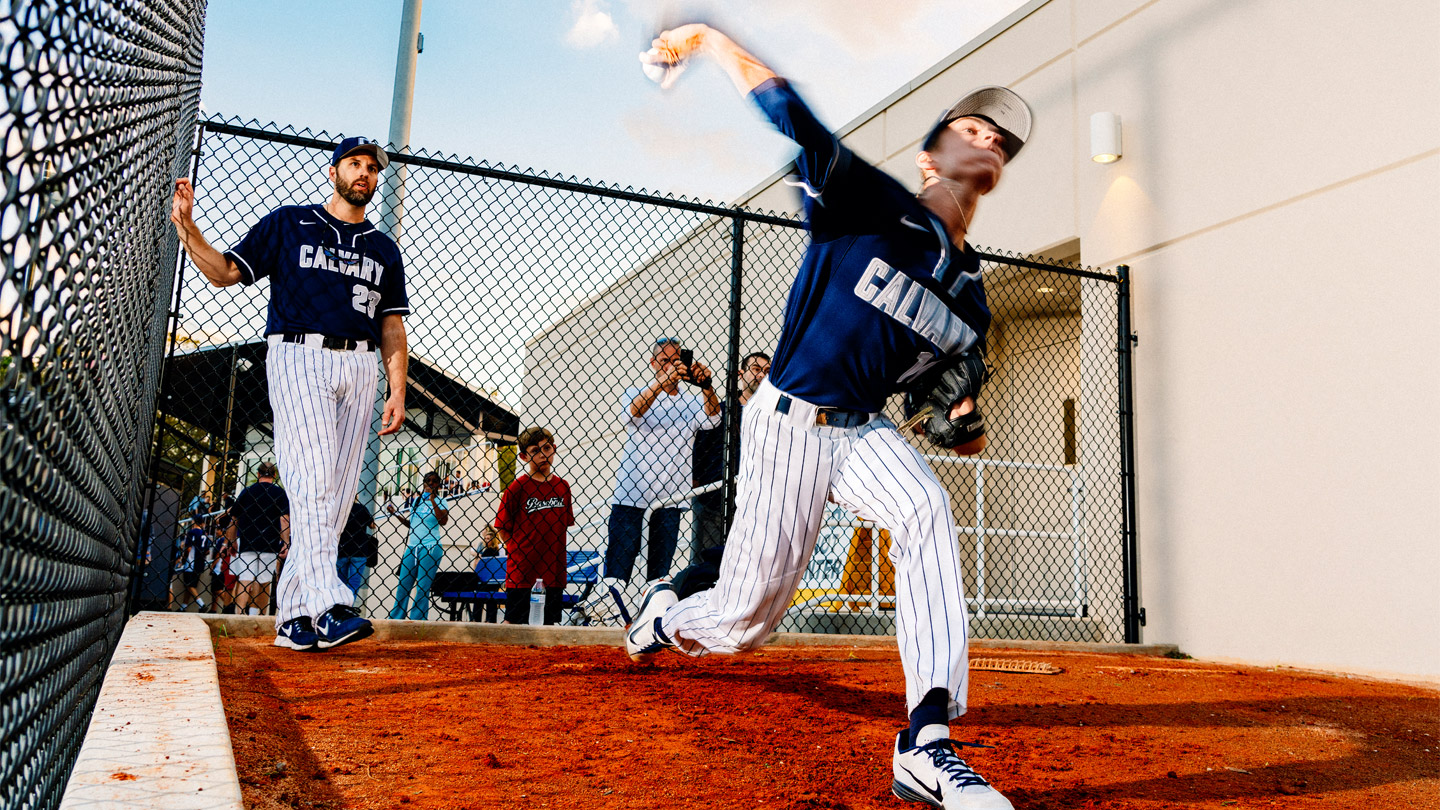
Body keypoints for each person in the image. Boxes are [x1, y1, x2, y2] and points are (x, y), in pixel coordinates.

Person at [627, 25, 1030, 809]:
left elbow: (943, 410)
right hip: (787, 420)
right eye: (969, 128)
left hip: (861, 430)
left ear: (997, 173)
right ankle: (669, 611)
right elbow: (793, 115)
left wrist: (963, 418)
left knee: (925, 507)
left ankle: (927, 742)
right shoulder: (872, 205)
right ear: (931, 155)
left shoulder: (971, 298)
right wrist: (708, 41)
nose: (986, 139)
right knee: (744, 626)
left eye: (999, 141)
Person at [171, 135, 409, 651]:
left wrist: (397, 390)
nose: (365, 172)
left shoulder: (383, 248)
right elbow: (225, 273)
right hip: (300, 354)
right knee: (312, 479)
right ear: (334, 172)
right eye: (355, 163)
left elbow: (391, 326)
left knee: (336, 498)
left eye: (372, 166)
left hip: (361, 364)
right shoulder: (291, 223)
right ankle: (329, 602)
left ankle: (294, 618)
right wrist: (189, 230)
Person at [605, 338, 720, 585]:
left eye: (675, 360)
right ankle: (605, 615)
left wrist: (706, 386)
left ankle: (650, 619)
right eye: (665, 360)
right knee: (617, 569)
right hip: (632, 496)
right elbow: (633, 412)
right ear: (653, 363)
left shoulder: (690, 402)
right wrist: (661, 384)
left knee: (658, 577)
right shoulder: (636, 392)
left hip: (670, 500)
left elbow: (714, 419)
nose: (670, 366)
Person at [689, 351, 769, 562]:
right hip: (713, 500)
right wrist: (698, 495)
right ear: (741, 374)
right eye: (756, 369)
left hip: (753, 503)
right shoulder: (721, 410)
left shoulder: (771, 416)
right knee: (706, 564)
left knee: (746, 563)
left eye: (767, 371)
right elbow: (699, 452)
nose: (762, 375)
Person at [493, 427, 575, 625]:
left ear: (554, 449)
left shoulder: (562, 487)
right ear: (523, 456)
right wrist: (518, 550)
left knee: (549, 624)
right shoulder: (517, 487)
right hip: (523, 571)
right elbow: (503, 526)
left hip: (553, 570)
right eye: (535, 451)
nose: (542, 455)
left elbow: (563, 524)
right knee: (514, 621)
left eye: (546, 448)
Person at [229, 461, 290, 618]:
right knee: (265, 581)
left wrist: (231, 541)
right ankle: (261, 615)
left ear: (258, 474)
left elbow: (234, 518)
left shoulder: (247, 492)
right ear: (274, 475)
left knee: (245, 579)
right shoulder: (279, 493)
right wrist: (286, 542)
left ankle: (239, 614)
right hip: (269, 542)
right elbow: (284, 519)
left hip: (248, 540)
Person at [387, 471, 450, 621]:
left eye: (434, 481)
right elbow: (412, 525)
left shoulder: (442, 501)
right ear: (423, 483)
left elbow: (443, 520)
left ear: (438, 485)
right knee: (403, 585)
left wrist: (433, 500)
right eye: (428, 481)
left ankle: (418, 619)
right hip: (412, 547)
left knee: (422, 587)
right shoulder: (417, 501)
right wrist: (396, 514)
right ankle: (396, 618)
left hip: (431, 547)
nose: (430, 484)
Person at [336, 496, 378, 603]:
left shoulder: (340, 509)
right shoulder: (361, 508)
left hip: (342, 549)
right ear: (356, 497)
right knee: (354, 583)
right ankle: (350, 606)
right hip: (359, 551)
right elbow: (372, 525)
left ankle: (341, 605)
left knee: (341, 582)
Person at [173, 517, 212, 611]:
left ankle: (201, 604)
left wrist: (184, 557)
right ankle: (183, 607)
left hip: (191, 562)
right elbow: (207, 551)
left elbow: (189, 548)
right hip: (200, 563)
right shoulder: (204, 534)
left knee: (189, 584)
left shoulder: (192, 532)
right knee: (191, 586)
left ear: (194, 521)